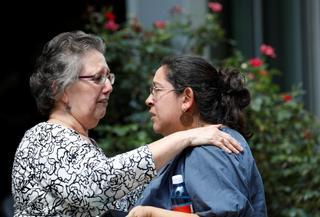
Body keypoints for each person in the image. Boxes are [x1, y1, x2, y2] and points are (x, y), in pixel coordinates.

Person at [11, 31, 242, 216]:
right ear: (59, 89)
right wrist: (187, 136)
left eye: (108, 77)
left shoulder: (84, 148)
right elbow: (97, 187)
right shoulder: (42, 138)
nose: (109, 86)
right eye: (96, 78)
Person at [127, 55, 267, 217]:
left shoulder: (209, 149)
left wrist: (150, 214)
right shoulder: (197, 146)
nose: (149, 100)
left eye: (157, 90)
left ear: (186, 98)